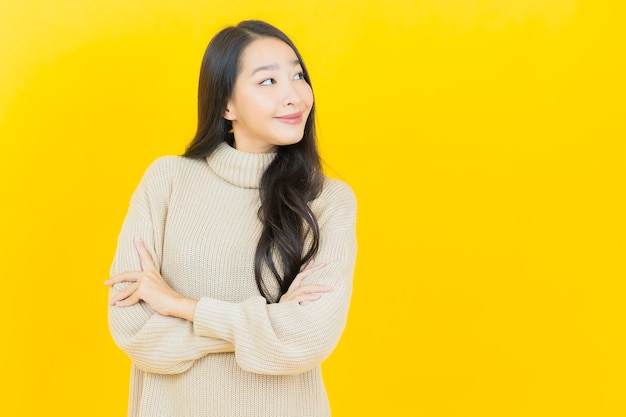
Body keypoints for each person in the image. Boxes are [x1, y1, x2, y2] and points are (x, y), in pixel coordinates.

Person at [104, 19, 357, 417]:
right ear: (226, 104)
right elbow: (134, 331)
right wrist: (269, 322)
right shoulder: (168, 181)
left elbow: (307, 339)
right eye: (268, 81)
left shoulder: (327, 201)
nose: (294, 95)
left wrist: (180, 306)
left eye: (297, 75)